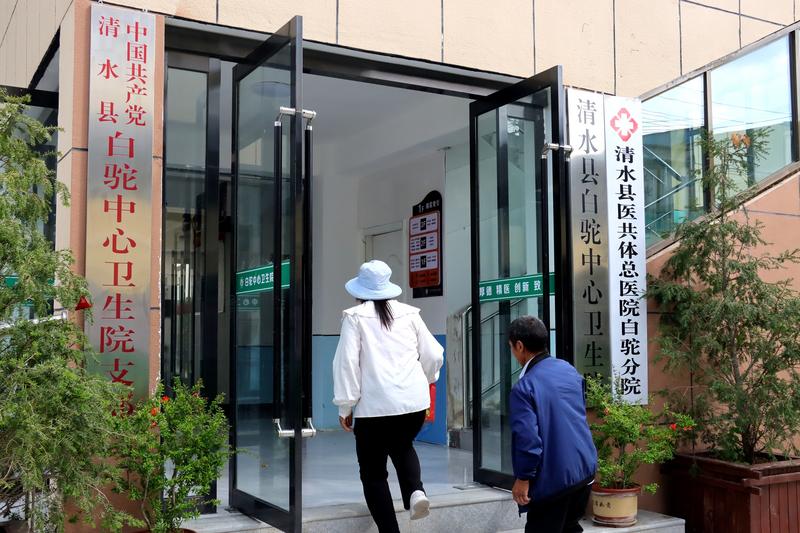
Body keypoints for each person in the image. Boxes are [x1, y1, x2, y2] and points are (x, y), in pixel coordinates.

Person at [332, 260, 444, 533]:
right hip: (413, 404)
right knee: (402, 446)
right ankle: (416, 491)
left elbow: (346, 364)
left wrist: (345, 406)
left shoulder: (354, 317)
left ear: (360, 291)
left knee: (373, 473)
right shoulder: (410, 314)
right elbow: (433, 354)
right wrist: (426, 379)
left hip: (374, 408)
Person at [508, 315, 597, 533]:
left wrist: (523, 478)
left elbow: (528, 440)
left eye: (511, 347)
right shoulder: (568, 370)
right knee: (569, 527)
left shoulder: (524, 387)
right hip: (584, 471)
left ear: (519, 346)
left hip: (554, 480)